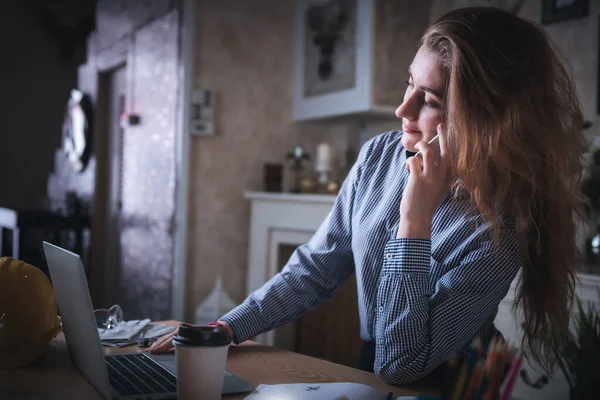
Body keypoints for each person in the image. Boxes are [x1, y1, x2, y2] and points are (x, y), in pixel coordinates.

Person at [149, 6, 582, 391]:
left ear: (486, 120)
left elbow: (401, 363)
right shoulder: (380, 155)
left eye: (428, 99)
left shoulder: (499, 232)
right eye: (408, 84)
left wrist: (415, 219)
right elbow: (317, 268)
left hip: (451, 384)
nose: (402, 110)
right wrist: (228, 326)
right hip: (371, 368)